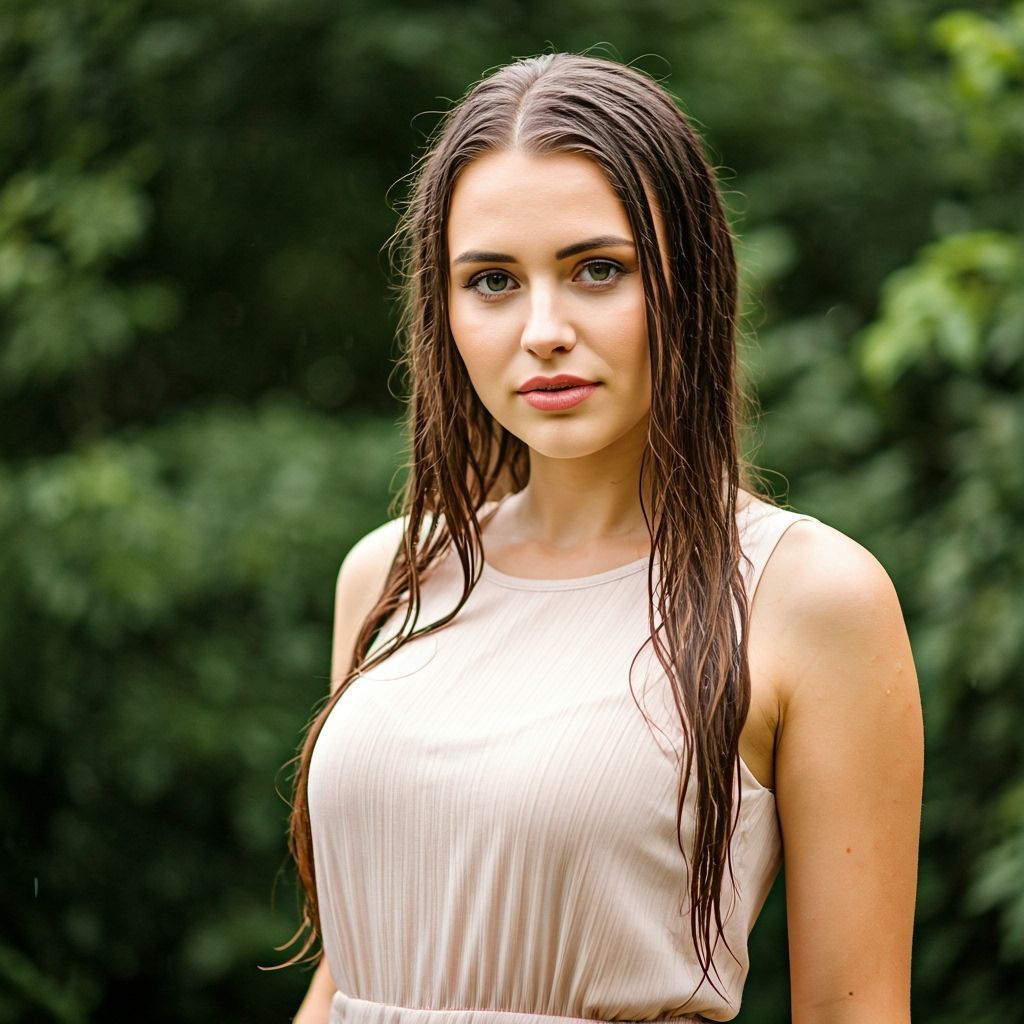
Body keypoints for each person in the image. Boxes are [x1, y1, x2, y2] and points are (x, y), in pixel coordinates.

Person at [285, 53, 924, 1024]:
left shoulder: (808, 596)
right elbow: (348, 977)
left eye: (597, 269)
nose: (542, 328)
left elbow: (853, 1011)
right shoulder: (390, 574)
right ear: (442, 309)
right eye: (492, 280)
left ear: (691, 282)